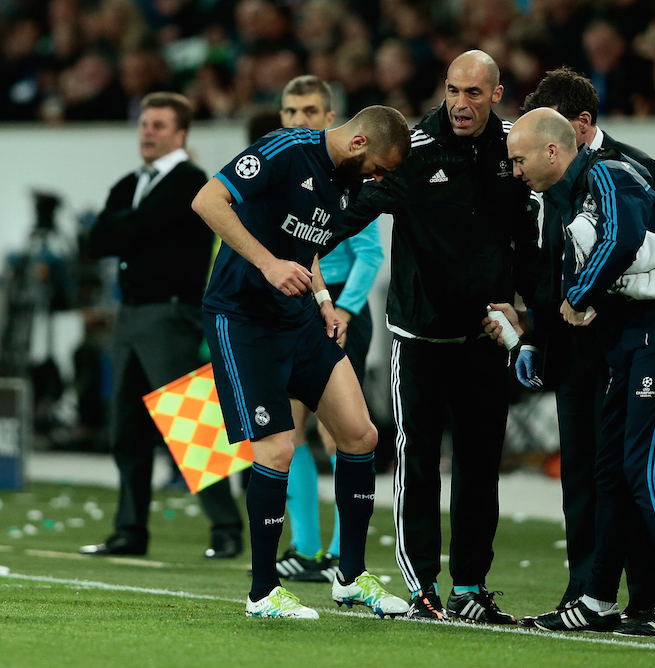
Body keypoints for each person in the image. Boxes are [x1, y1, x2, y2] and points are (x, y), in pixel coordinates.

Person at [325, 50, 540, 624]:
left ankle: (470, 586)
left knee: (479, 465)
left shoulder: (512, 150)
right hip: (418, 336)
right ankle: (422, 586)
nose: (460, 104)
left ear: (496, 95)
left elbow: (530, 239)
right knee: (417, 463)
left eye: (473, 93)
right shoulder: (414, 148)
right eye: (453, 90)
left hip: (485, 339)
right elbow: (356, 211)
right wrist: (296, 250)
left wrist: (530, 313)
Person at [191, 104, 411, 619]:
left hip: (299, 318)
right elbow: (208, 200)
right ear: (360, 143)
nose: (379, 179)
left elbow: (305, 244)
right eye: (380, 167)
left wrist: (323, 299)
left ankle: (351, 578)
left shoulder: (347, 182)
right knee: (278, 448)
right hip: (242, 319)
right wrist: (266, 263)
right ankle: (263, 592)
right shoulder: (287, 149)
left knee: (361, 435)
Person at [501, 107, 655, 636]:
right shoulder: (568, 195)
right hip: (629, 349)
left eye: (520, 158)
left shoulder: (608, 173)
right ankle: (596, 598)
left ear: (553, 150)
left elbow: (620, 238)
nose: (515, 170)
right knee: (611, 472)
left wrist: (579, 293)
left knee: (648, 472)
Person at [515, 67, 655, 628]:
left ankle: (648, 595)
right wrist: (534, 331)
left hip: (626, 347)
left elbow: (650, 252)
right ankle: (585, 592)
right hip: (574, 351)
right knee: (581, 474)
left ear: (579, 124)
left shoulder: (634, 169)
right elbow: (545, 261)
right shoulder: (548, 176)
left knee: (633, 472)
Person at [80, 92, 245, 560]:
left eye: (157, 125)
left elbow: (124, 231)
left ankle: (226, 528)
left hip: (171, 314)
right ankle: (129, 529)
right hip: (131, 315)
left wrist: (124, 227)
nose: (147, 132)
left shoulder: (191, 181)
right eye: (144, 124)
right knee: (126, 430)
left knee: (191, 424)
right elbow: (98, 239)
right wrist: (127, 226)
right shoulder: (134, 181)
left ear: (181, 133)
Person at [274, 75, 385, 583]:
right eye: (291, 111)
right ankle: (306, 546)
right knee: (287, 427)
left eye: (310, 111)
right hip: (291, 306)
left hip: (336, 309)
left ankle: (343, 551)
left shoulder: (352, 175)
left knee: (340, 430)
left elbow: (369, 254)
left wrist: (344, 309)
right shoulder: (280, 168)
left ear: (331, 116)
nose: (299, 120)